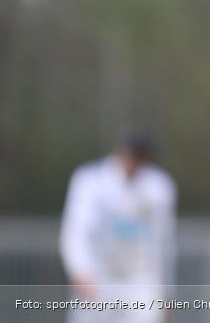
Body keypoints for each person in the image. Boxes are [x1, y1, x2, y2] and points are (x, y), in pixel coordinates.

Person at [59, 132, 177, 323]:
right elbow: (77, 230)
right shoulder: (91, 181)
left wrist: (166, 289)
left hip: (140, 281)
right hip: (99, 277)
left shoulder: (159, 187)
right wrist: (79, 270)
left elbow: (164, 241)